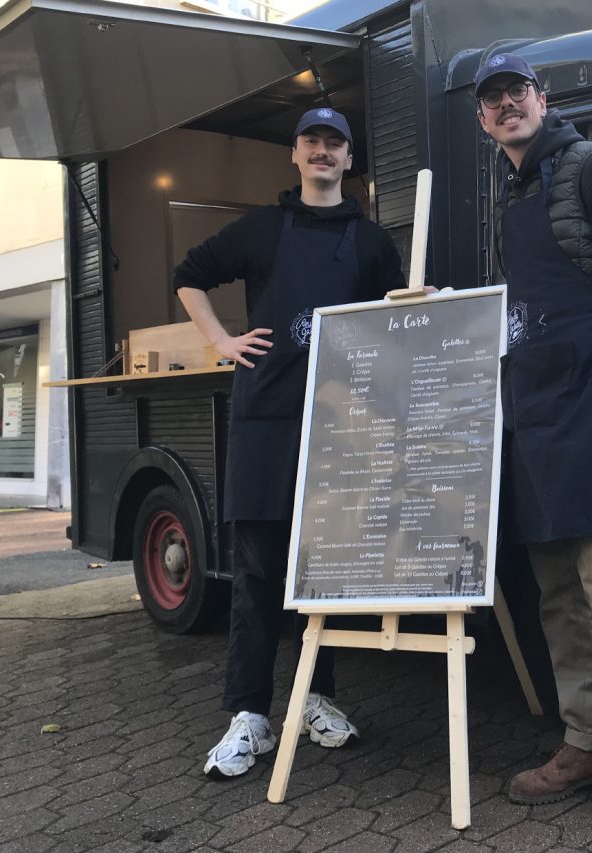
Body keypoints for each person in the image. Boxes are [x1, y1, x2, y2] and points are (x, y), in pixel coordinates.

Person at [174, 108, 407, 779]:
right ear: (295, 155)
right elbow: (189, 273)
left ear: (348, 156)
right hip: (266, 422)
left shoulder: (370, 242)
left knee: (323, 572)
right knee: (256, 573)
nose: (323, 151)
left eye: (335, 141)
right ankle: (249, 716)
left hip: (342, 428)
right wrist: (221, 341)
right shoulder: (262, 228)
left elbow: (394, 321)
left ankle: (318, 698)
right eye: (312, 141)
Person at [473, 54, 592, 833]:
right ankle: (585, 739)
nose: (505, 106)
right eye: (491, 100)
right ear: (483, 120)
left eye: (516, 92)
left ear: (541, 99)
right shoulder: (508, 193)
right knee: (557, 596)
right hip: (534, 419)